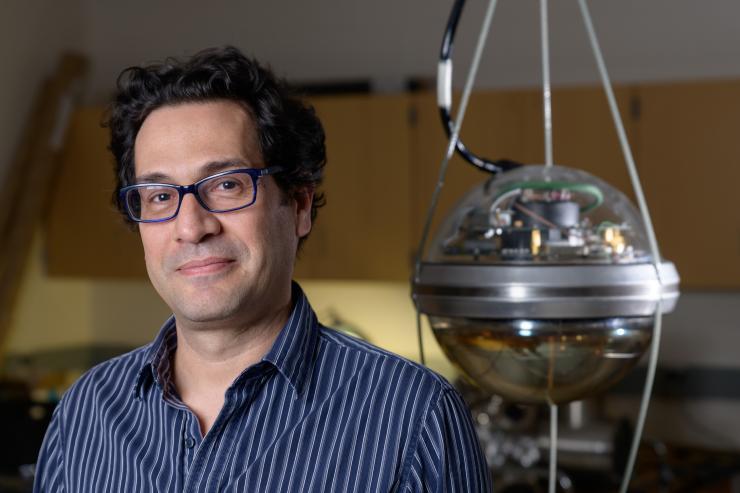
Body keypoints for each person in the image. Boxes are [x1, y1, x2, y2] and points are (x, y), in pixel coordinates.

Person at [34, 46, 491, 492]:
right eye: (160, 196)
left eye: (228, 185)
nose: (191, 227)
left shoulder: (414, 417)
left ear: (298, 205)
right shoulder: (86, 411)